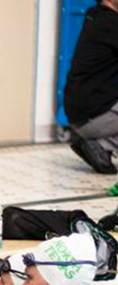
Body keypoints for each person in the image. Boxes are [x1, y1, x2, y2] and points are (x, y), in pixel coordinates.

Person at [64, 0, 118, 174]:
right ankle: (102, 144)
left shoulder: (95, 16)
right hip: (94, 117)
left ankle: (99, 147)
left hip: (80, 115)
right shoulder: (111, 24)